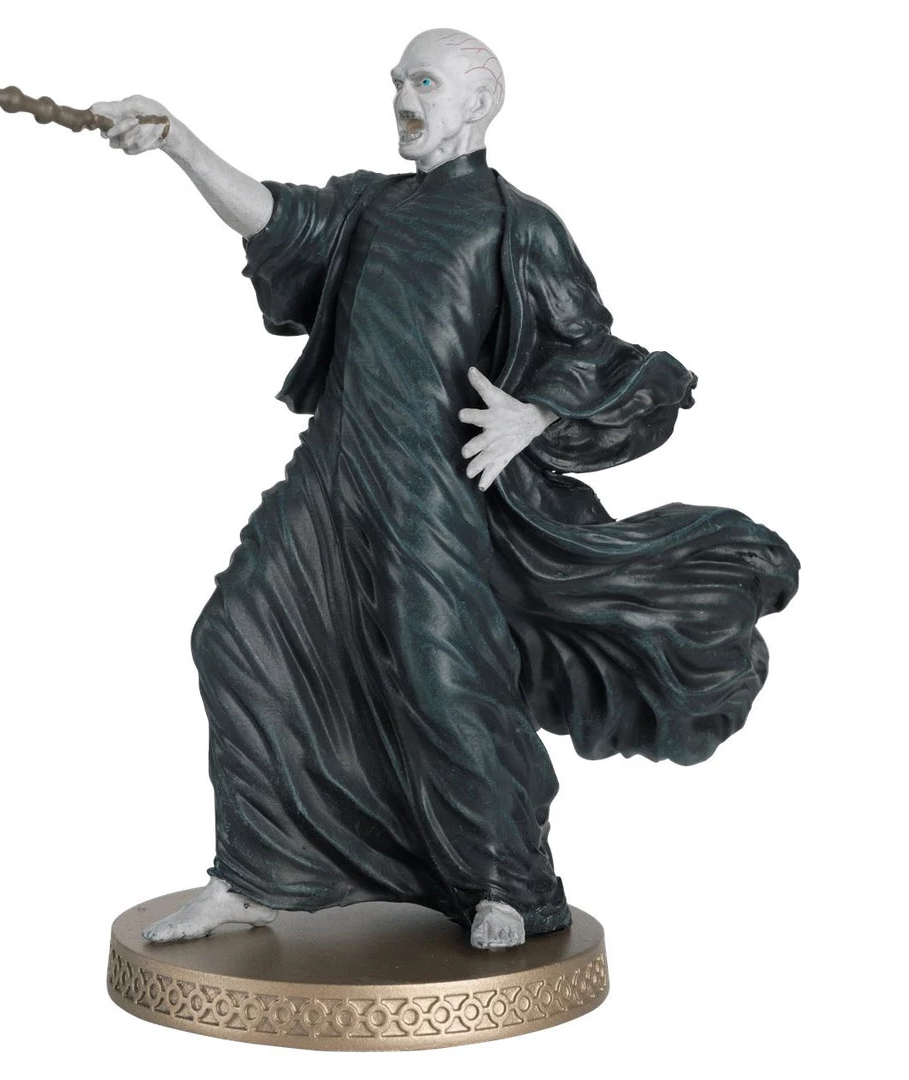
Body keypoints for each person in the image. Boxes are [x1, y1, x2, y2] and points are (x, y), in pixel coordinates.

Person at [91, 28, 798, 950]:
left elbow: (596, 353)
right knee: (235, 636)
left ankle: (508, 884)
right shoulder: (369, 208)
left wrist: (535, 417)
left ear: (480, 100)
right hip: (332, 470)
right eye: (397, 82)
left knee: (443, 677)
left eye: (423, 82)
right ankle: (258, 872)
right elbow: (276, 219)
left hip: (434, 488)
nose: (402, 98)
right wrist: (179, 142)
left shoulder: (518, 225)